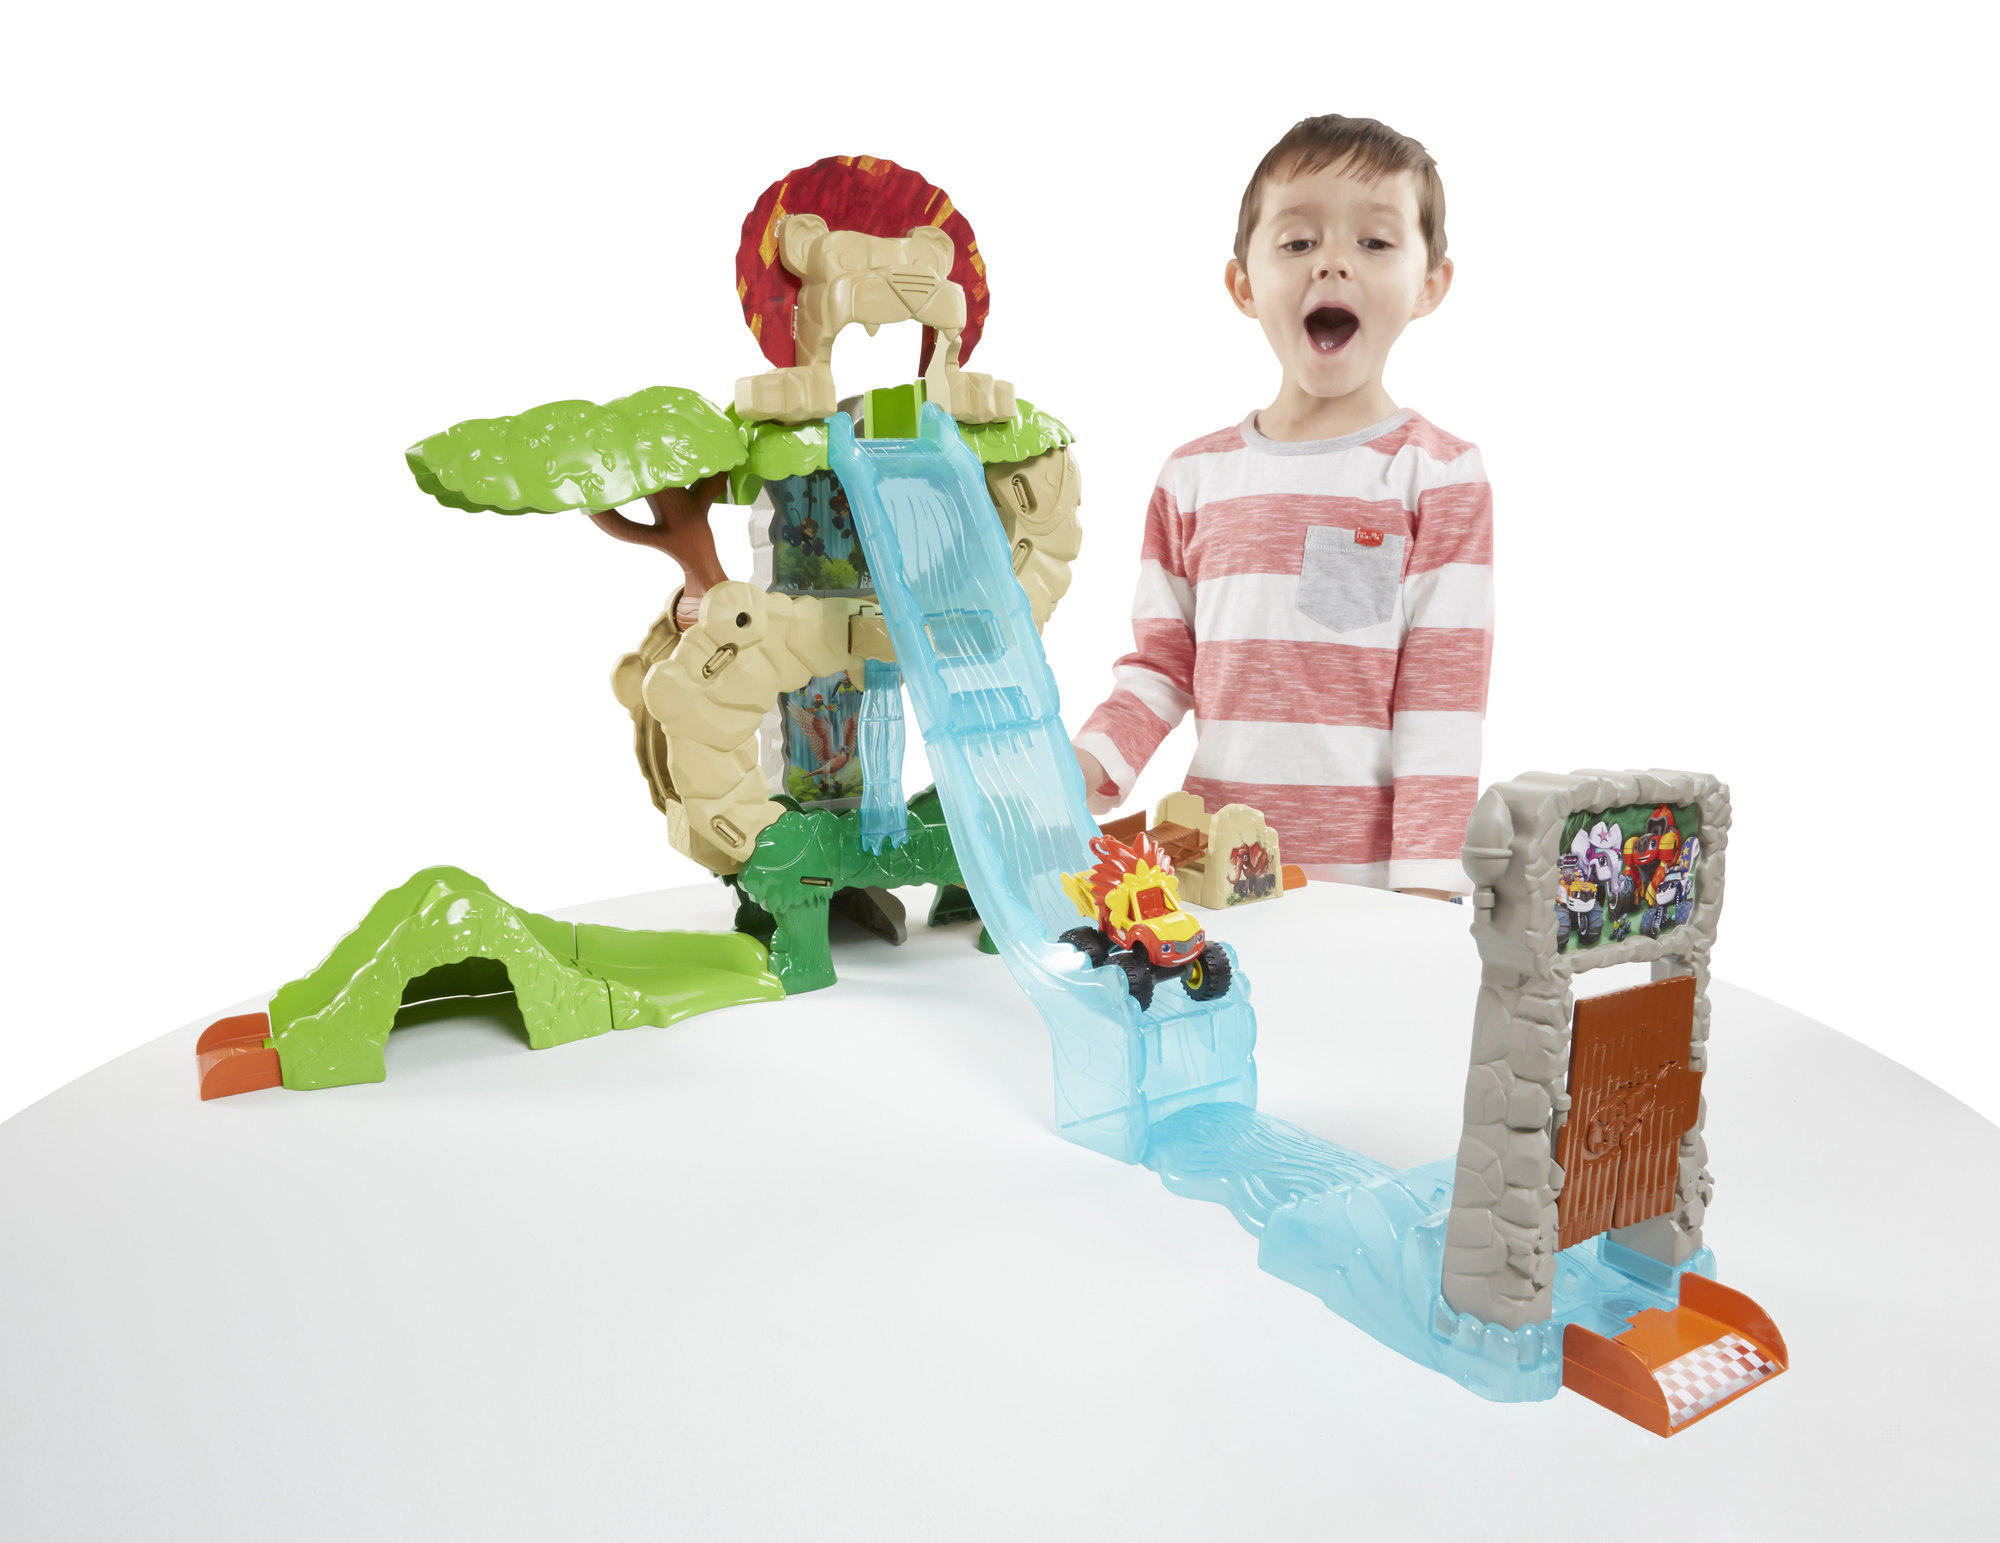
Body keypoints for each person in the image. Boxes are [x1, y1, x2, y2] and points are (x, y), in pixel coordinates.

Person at [1071, 114, 1493, 898]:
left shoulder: (1437, 476)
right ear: (1243, 284)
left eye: (1375, 241)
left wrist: (1426, 898)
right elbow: (1161, 666)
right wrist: (1087, 764)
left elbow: (1441, 706)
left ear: (1430, 283)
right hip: (1209, 881)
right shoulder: (1192, 478)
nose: (1332, 262)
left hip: (1363, 895)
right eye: (1298, 242)